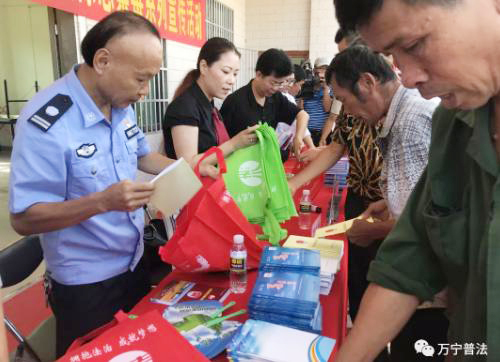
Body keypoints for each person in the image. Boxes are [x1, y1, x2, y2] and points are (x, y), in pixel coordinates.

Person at [8, 11, 206, 358]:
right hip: (87, 285)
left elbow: (143, 156)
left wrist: (194, 170)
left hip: (133, 262)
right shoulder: (48, 122)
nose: (145, 92)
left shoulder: (119, 104)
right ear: (103, 61)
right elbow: (24, 218)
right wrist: (102, 202)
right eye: (141, 80)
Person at [333, 0, 500, 360]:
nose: (407, 78)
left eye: (413, 45)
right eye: (392, 55)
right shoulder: (454, 122)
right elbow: (412, 253)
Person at [328, 45, 447, 361]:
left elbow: (423, 221)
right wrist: (387, 201)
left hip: (430, 289)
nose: (347, 111)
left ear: (367, 82)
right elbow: (426, 192)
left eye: (345, 100)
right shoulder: (399, 113)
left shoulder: (411, 121)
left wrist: (373, 231)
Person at [288, 36, 385, 329]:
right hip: (360, 199)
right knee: (355, 275)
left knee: (385, 281)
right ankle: (358, 322)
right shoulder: (351, 110)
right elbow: (335, 148)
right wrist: (294, 184)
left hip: (390, 207)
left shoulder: (402, 112)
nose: (343, 106)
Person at [162, 37, 258, 164]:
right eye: (226, 71)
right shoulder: (185, 107)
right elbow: (188, 164)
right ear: (204, 67)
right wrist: (235, 143)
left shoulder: (210, 105)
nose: (232, 81)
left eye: (235, 74)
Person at [220, 48, 309, 157]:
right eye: (274, 82)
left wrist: (298, 137)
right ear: (259, 75)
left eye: (281, 83)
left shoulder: (276, 98)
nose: (277, 88)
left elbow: (302, 115)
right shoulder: (235, 102)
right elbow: (222, 143)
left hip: (267, 163)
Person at [277, 64, 316, 151]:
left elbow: (301, 119)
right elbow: (297, 121)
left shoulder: (288, 97)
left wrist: (311, 147)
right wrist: (311, 146)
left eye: (290, 81)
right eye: (287, 81)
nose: (289, 85)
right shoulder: (278, 97)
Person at [299, 57, 335, 146]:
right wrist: (302, 93)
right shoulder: (307, 86)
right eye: (320, 70)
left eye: (325, 70)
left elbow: (327, 109)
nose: (322, 74)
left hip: (324, 133)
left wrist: (325, 88)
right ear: (314, 71)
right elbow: (300, 111)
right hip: (307, 133)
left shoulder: (332, 88)